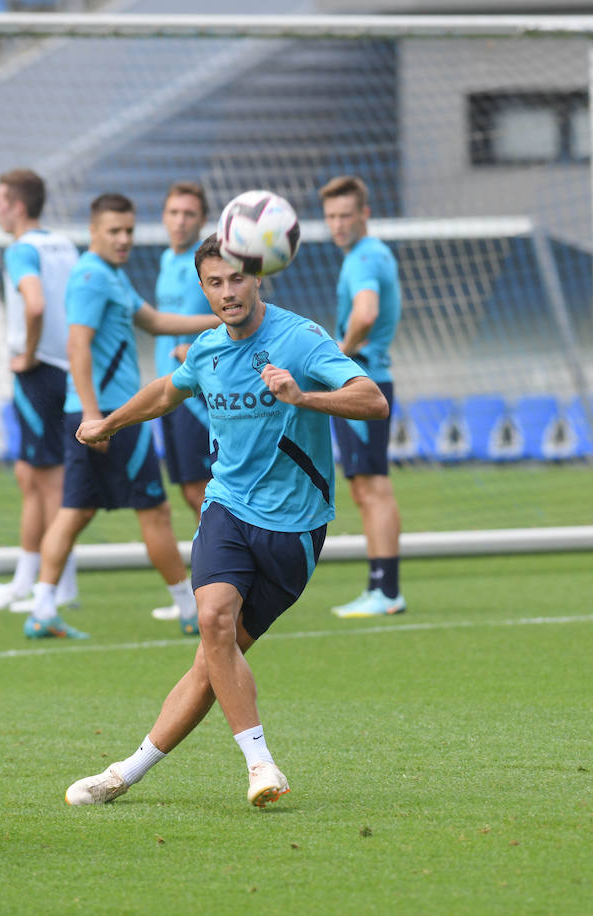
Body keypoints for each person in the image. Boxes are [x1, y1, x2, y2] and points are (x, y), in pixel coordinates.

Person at [63, 233, 388, 808]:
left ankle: (124, 773)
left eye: (236, 278)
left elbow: (372, 399)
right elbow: (168, 391)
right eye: (214, 282)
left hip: (295, 528)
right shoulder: (207, 350)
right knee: (212, 622)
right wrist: (109, 423)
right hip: (227, 509)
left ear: (259, 275)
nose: (227, 292)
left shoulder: (302, 339)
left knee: (212, 662)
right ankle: (259, 763)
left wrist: (301, 398)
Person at [21, 192, 220, 640]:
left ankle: (42, 608)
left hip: (98, 412)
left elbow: (153, 321)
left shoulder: (111, 275)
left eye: (129, 229)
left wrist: (217, 323)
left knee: (74, 512)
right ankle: (189, 610)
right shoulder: (91, 276)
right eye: (114, 230)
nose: (124, 238)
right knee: (155, 511)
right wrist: (96, 417)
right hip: (111, 414)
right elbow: (77, 345)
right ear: (93, 232)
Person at [0, 168, 81, 613]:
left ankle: (59, 585)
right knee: (29, 475)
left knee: (49, 481)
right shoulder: (65, 244)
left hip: (39, 370)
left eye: (0, 200)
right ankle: (26, 579)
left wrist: (29, 352)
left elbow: (34, 303)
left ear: (18, 206)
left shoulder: (21, 250)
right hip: (69, 369)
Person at [319, 175, 406, 617]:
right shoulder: (368, 255)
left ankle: (386, 590)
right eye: (331, 216)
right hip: (368, 381)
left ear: (364, 214)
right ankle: (383, 588)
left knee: (372, 488)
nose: (337, 224)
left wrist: (339, 355)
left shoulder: (364, 258)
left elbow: (366, 312)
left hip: (363, 384)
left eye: (345, 215)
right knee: (367, 488)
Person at [149, 182, 216, 623]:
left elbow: (234, 314)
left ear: (201, 220)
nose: (180, 220)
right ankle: (207, 590)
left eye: (189, 214)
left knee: (204, 494)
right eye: (174, 212)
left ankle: (224, 585)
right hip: (169, 396)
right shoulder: (165, 260)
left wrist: (197, 347)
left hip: (197, 398)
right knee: (190, 491)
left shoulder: (209, 265)